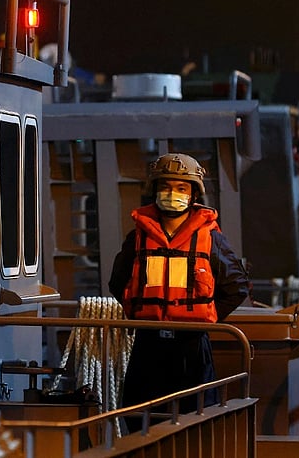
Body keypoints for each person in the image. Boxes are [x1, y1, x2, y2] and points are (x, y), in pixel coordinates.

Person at [107, 152, 250, 432]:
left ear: (193, 194)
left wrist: (208, 315)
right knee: (140, 417)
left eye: (181, 188)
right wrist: (139, 311)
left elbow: (237, 286)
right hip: (148, 344)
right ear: (155, 191)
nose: (173, 194)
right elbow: (118, 282)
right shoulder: (138, 237)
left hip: (192, 347)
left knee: (196, 419)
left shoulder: (210, 238)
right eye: (166, 187)